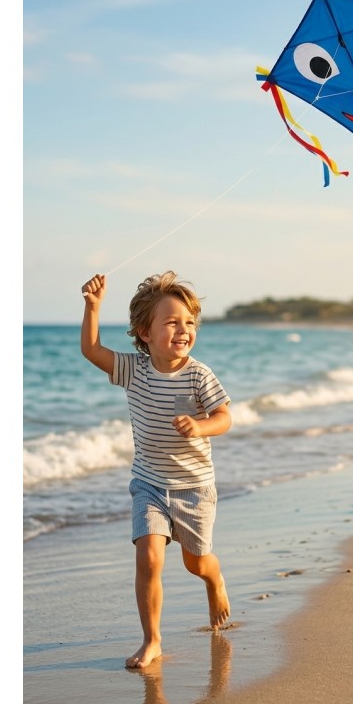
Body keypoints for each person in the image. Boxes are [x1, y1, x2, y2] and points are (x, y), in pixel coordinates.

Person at [80, 270, 232, 669]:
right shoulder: (135, 370)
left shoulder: (199, 374)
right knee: (148, 557)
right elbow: (93, 350)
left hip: (194, 487)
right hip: (148, 483)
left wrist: (201, 426)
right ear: (145, 333)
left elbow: (225, 416)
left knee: (195, 562)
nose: (183, 330)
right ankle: (152, 641)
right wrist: (93, 307)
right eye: (172, 322)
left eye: (189, 322)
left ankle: (214, 579)